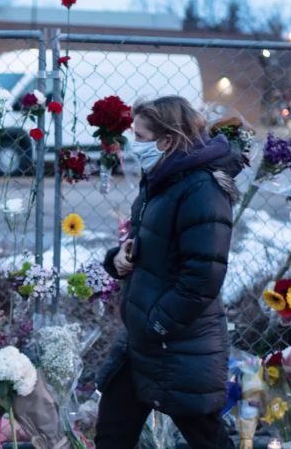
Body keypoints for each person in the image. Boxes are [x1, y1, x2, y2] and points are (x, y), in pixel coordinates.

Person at [94, 96, 245, 448]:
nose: (134, 143)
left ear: (166, 141)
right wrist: (119, 258)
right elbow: (155, 247)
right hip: (142, 341)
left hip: (178, 343)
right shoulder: (162, 178)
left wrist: (156, 323)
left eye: (141, 135)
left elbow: (202, 278)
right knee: (112, 433)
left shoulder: (202, 190)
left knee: (206, 437)